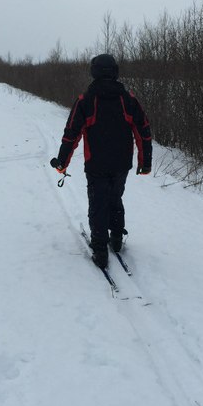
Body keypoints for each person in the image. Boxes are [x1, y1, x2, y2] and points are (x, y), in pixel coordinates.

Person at [51, 53, 152, 268]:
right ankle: (116, 239)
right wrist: (145, 162)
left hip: (96, 164)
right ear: (115, 71)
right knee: (115, 198)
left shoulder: (85, 100)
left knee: (98, 203)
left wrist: (62, 162)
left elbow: (71, 134)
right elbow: (143, 131)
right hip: (121, 164)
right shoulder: (129, 99)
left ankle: (100, 250)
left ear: (94, 72)